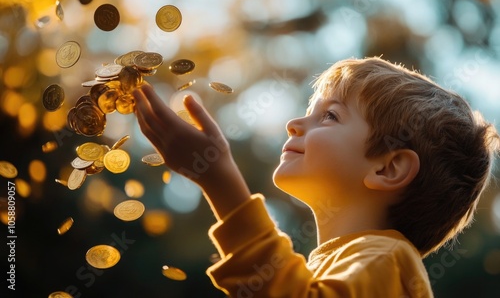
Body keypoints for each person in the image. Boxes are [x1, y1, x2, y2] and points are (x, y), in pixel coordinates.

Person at [132, 57, 499, 297]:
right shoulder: (335, 269)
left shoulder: (388, 259)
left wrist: (219, 179)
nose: (294, 124)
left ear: (388, 168)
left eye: (330, 116)